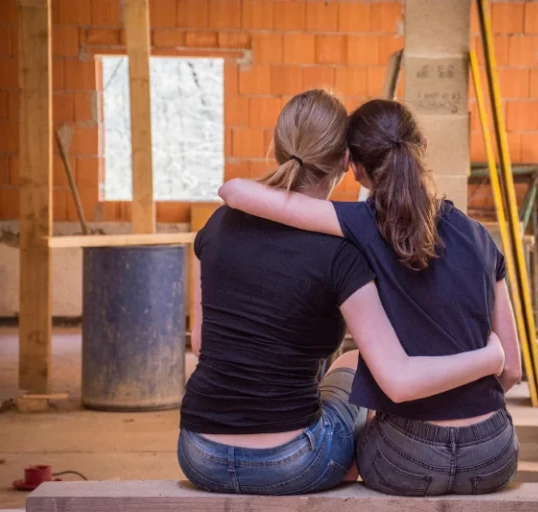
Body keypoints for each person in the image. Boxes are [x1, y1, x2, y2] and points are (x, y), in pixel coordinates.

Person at [179, 90, 506, 496]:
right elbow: (401, 377)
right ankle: (346, 466)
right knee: (352, 363)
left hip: (197, 451)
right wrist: (489, 356)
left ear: (280, 146)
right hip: (294, 463)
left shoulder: (214, 226)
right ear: (345, 162)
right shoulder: (345, 249)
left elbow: (201, 344)